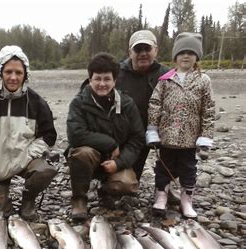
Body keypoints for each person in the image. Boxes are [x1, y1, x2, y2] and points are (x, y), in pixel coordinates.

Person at [0, 45, 57, 220]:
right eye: (8, 72)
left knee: (44, 170)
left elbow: (49, 135)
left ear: (25, 74)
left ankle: (28, 200)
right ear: (0, 72)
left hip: (24, 160)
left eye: (18, 72)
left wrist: (29, 154)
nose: (13, 77)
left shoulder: (36, 102)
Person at [66, 53, 145, 221]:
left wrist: (119, 163)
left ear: (115, 81)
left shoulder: (127, 104)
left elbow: (137, 139)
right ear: (90, 79)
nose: (102, 84)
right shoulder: (79, 103)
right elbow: (75, 135)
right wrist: (110, 144)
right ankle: (79, 198)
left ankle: (105, 189)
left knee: (128, 185)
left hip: (115, 160)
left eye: (107, 79)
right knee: (82, 153)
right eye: (97, 79)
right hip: (90, 158)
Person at [147, 32, 215, 219]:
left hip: (190, 138)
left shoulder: (203, 80)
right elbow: (154, 104)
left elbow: (208, 110)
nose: (186, 56)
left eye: (191, 53)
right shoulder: (165, 79)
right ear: (175, 56)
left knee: (188, 169)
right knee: (163, 167)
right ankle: (161, 195)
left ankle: (187, 199)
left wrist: (205, 136)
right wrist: (152, 129)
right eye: (182, 52)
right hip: (167, 136)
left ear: (197, 57)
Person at [116, 30, 169, 180]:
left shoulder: (167, 75)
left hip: (159, 132)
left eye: (147, 48)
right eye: (138, 49)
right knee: (124, 184)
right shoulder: (115, 74)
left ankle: (166, 184)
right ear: (130, 52)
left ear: (156, 50)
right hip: (127, 137)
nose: (143, 53)